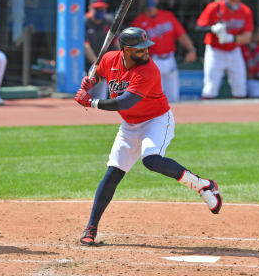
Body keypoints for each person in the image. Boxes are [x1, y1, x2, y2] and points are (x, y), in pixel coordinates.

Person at [74, 27, 222, 246]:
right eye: (139, 49)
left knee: (151, 159)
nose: (145, 52)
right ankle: (91, 227)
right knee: (113, 173)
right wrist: (91, 81)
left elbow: (124, 102)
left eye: (146, 48)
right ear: (124, 50)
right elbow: (97, 70)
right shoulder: (109, 59)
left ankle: (202, 184)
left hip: (156, 120)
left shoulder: (149, 70)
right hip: (130, 124)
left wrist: (91, 101)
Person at [131, 0, 197, 103]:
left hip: (170, 59)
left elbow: (181, 35)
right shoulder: (138, 22)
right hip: (152, 60)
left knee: (173, 98)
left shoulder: (167, 16)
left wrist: (191, 50)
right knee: (155, 98)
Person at [195, 0, 253, 99]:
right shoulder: (214, 7)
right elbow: (198, 27)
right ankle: (207, 116)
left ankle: (239, 116)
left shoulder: (245, 11)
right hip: (215, 51)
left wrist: (230, 38)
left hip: (234, 51)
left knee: (240, 88)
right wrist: (212, 29)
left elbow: (247, 37)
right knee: (210, 88)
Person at [84, 0, 120, 99]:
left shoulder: (108, 21)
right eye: (97, 8)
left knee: (99, 101)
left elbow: (116, 42)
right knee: (84, 100)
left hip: (102, 70)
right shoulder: (84, 22)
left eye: (102, 8)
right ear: (90, 7)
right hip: (86, 68)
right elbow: (85, 46)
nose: (100, 11)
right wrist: (97, 64)